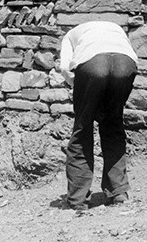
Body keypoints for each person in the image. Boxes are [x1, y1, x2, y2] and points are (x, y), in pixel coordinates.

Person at [58, 20, 138, 210]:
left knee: (83, 128)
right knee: (113, 124)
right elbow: (129, 54)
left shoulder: (70, 35)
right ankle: (118, 192)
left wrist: (82, 91)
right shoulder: (116, 28)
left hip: (92, 63)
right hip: (125, 63)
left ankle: (77, 199)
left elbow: (65, 68)